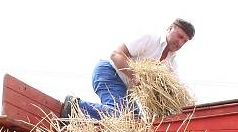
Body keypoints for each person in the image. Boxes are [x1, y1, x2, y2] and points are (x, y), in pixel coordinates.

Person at [60, 19, 195, 120]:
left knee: (138, 123)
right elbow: (116, 54)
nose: (180, 43)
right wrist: (136, 77)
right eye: (180, 36)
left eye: (185, 41)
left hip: (125, 89)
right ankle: (74, 107)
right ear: (170, 28)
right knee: (121, 118)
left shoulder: (171, 64)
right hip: (109, 72)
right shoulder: (150, 38)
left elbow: (172, 91)